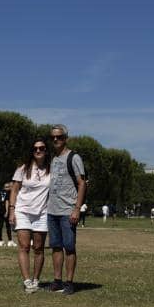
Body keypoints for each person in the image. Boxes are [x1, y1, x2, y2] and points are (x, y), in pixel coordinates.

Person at [46, 124, 87, 294]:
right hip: (52, 210)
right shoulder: (53, 159)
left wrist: (77, 208)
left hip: (67, 210)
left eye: (59, 137)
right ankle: (57, 280)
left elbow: (82, 183)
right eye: (53, 137)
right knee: (55, 247)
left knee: (69, 247)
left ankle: (69, 282)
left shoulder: (74, 157)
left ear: (65, 138)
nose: (56, 139)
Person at [9, 138, 51, 293]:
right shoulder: (23, 169)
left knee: (39, 248)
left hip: (42, 213)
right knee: (24, 246)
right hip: (23, 211)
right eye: (35, 149)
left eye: (41, 148)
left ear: (46, 151)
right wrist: (12, 210)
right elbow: (14, 189)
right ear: (32, 152)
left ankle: (36, 280)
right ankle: (27, 281)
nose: (38, 151)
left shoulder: (51, 169)